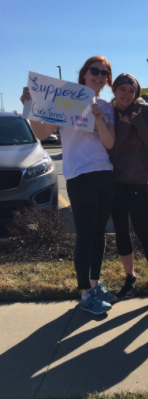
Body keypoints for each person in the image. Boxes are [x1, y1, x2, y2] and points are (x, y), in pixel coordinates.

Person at [20, 56, 117, 315]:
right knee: (85, 234)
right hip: (79, 174)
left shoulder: (107, 107)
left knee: (100, 233)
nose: (100, 75)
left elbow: (109, 143)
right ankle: (85, 292)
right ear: (84, 74)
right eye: (95, 71)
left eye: (105, 73)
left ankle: (95, 284)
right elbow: (42, 134)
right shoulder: (67, 102)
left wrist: (98, 119)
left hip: (105, 173)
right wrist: (29, 106)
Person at [108, 73, 148, 306]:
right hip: (116, 184)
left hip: (139, 183)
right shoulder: (109, 113)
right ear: (114, 91)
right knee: (121, 233)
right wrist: (124, 126)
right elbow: (110, 148)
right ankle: (130, 278)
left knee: (145, 233)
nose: (126, 94)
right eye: (122, 89)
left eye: (131, 91)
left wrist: (137, 121)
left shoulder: (143, 112)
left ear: (136, 93)